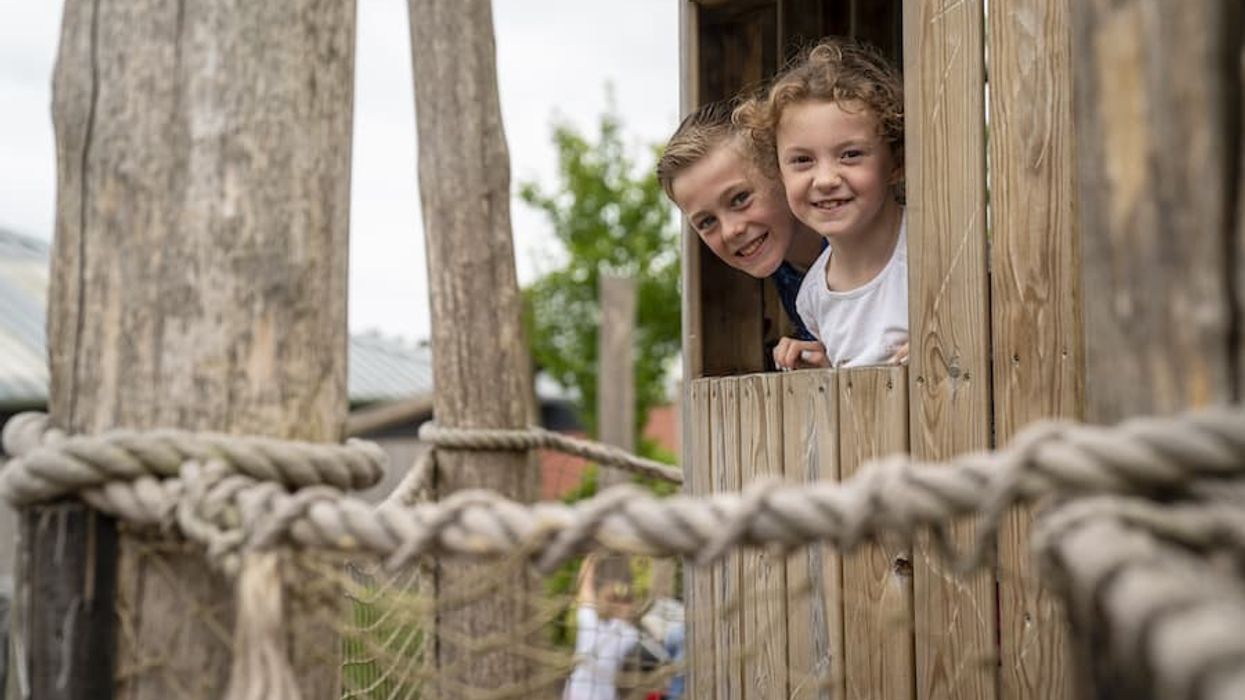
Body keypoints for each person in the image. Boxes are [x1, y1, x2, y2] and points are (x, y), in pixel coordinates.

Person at [739, 38, 909, 370]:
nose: (826, 179)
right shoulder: (813, 297)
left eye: (851, 155)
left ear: (896, 162)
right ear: (780, 174)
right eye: (802, 160)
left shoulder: (939, 251)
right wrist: (825, 373)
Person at [657, 100, 825, 342]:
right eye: (706, 222)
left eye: (740, 199)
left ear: (780, 170)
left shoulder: (870, 249)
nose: (730, 231)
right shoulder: (786, 275)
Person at [564, 554, 640, 700]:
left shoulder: (589, 623)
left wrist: (590, 559)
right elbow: (629, 609)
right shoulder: (629, 634)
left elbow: (585, 588)